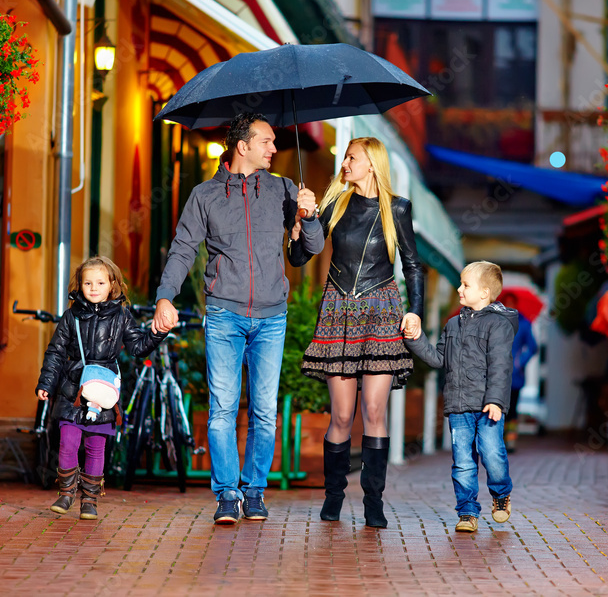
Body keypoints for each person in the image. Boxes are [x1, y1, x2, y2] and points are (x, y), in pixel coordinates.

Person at [152, 112, 323, 525]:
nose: (274, 148)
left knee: (265, 411)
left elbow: (307, 252)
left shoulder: (284, 189)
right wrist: (164, 297)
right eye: (266, 141)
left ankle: (255, 491)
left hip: (271, 317)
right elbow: (182, 249)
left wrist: (309, 216)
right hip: (225, 313)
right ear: (242, 146)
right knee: (223, 409)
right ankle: (227, 494)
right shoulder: (205, 196)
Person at [288, 137, 423, 528]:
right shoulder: (334, 204)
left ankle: (373, 502)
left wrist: (414, 311)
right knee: (343, 415)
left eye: (351, 158)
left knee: (374, 410)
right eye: (345, 157)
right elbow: (299, 259)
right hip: (338, 311)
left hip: (380, 310)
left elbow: (413, 265)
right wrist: (303, 223)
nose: (344, 163)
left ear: (371, 165)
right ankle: (333, 497)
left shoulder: (397, 208)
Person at [36, 256, 166, 520]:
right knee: (68, 442)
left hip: (104, 391)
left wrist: (156, 333)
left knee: (97, 446)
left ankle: (90, 499)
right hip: (73, 390)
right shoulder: (71, 316)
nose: (93, 288)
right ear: (80, 285)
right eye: (87, 283)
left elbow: (137, 347)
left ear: (112, 285)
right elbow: (56, 352)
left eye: (100, 282)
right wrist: (46, 383)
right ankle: (66, 492)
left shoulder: (121, 316)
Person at [403, 261, 517, 533]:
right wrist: (415, 338)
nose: (459, 289)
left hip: (489, 406)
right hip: (458, 406)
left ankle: (501, 494)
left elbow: (501, 365)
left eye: (466, 285)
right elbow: (438, 358)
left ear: (485, 293)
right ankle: (467, 512)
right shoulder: (453, 324)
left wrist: (496, 401)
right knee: (463, 462)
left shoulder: (498, 326)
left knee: (492, 454)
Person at [504, 310, 537, 452]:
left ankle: (510, 440)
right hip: (494, 372)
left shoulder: (523, 324)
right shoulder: (494, 321)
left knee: (511, 409)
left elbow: (533, 347)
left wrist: (520, 362)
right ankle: (497, 439)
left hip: (514, 374)